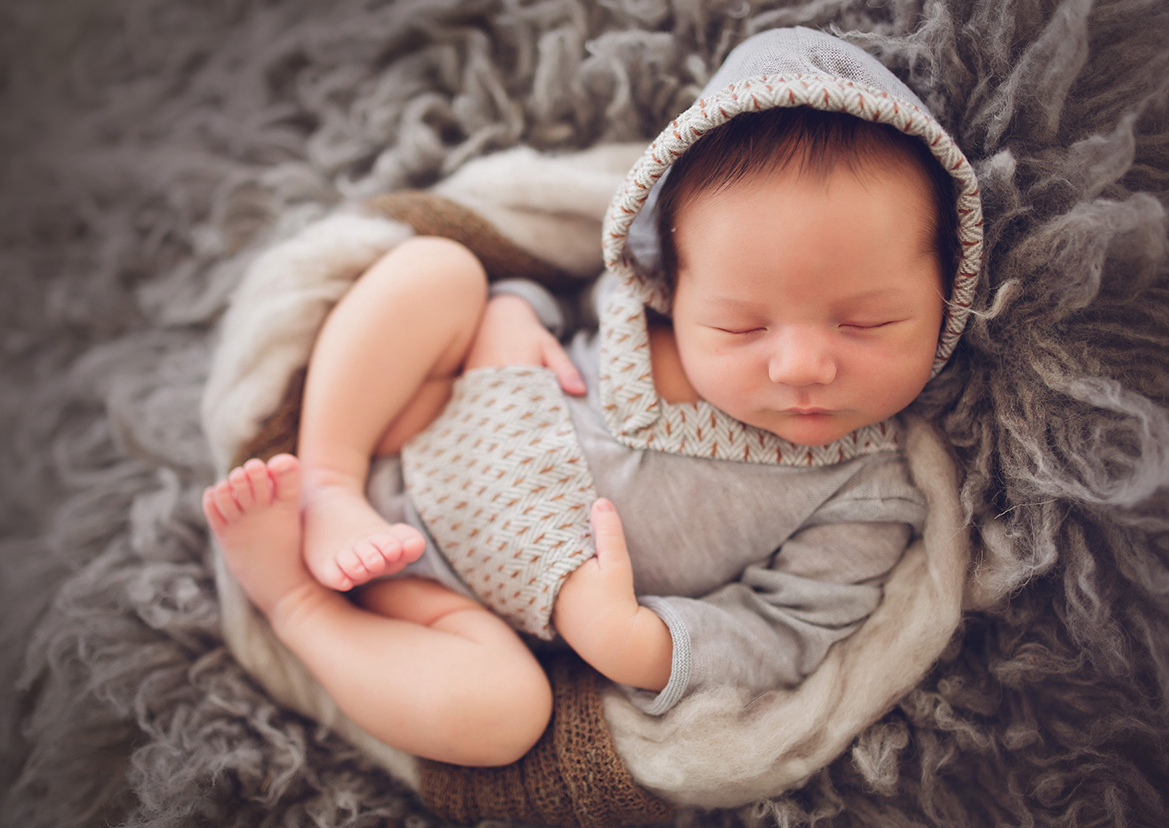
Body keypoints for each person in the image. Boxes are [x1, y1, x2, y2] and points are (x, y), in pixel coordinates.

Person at [201, 27, 981, 768]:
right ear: (674, 288)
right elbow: (545, 289)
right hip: (425, 412)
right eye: (740, 326)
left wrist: (636, 640)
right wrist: (511, 315)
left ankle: (300, 606)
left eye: (868, 322)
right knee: (438, 272)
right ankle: (330, 478)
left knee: (506, 712)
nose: (803, 364)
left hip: (450, 604)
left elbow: (785, 631)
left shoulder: (865, 491)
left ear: (946, 299)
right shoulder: (631, 307)